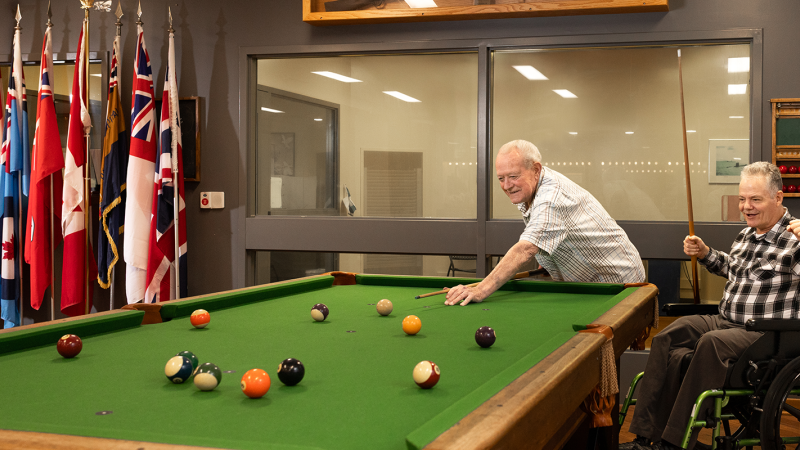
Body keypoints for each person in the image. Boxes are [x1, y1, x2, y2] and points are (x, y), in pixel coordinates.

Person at [621, 162, 800, 450]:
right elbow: (734, 269)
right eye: (742, 199)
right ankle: (645, 436)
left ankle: (674, 443)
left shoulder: (795, 240)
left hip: (764, 334)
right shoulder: (746, 235)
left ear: (778, 198)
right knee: (670, 336)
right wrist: (705, 254)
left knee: (711, 343)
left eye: (755, 199)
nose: (746, 207)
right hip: (726, 320)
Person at [445, 139, 645, 306]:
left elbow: (525, 249)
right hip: (592, 283)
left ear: (535, 169)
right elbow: (553, 230)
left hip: (619, 284)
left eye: (513, 176)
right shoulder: (533, 186)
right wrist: (549, 258)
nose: (506, 186)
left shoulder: (551, 197)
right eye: (501, 178)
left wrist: (480, 290)